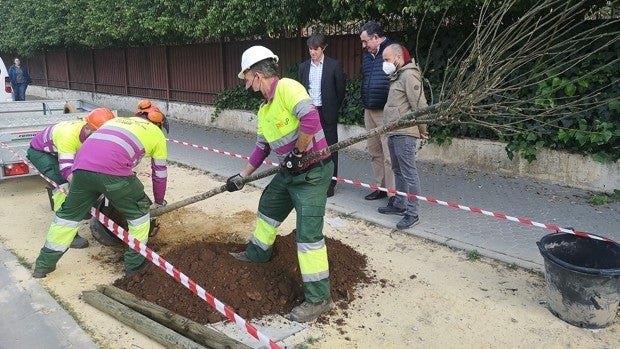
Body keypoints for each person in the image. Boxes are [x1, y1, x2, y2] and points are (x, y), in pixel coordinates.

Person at [226, 45, 334, 323]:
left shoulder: (287, 87)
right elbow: (262, 147)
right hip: (290, 173)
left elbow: (310, 118)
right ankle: (258, 253)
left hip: (312, 173)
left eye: (247, 77)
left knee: (308, 237)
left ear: (257, 74)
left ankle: (319, 299)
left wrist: (298, 154)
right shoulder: (264, 110)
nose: (246, 83)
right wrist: (243, 176)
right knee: (269, 205)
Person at [32, 102, 169, 278]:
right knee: (140, 217)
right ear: (158, 124)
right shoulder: (156, 134)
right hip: (115, 175)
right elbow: (159, 173)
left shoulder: (116, 121)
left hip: (80, 170)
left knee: (67, 218)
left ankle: (43, 266)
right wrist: (159, 201)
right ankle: (134, 267)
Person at [27, 108, 116, 248]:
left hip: (63, 151)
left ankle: (85, 207)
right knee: (63, 186)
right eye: (99, 133)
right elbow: (67, 170)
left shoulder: (93, 135)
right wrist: (85, 191)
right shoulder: (69, 135)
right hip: (42, 153)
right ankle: (67, 235)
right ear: (88, 127)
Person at [378, 44, 429, 229]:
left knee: (409, 173)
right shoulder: (397, 75)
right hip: (394, 131)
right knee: (398, 170)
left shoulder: (409, 75)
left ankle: (412, 213)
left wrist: (423, 129)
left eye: (386, 59)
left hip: (405, 132)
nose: (384, 63)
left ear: (398, 58)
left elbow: (419, 104)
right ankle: (399, 204)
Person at [298, 33, 346, 197]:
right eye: (310, 49)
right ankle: (312, 179)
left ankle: (330, 183)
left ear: (323, 48)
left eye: (316, 49)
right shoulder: (304, 67)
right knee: (309, 147)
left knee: (331, 148)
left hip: (327, 113)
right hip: (310, 113)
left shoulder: (334, 65)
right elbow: (301, 91)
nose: (313, 52)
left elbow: (340, 91)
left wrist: (332, 109)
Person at [359, 21, 396, 203]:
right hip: (369, 109)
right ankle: (381, 187)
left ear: (375, 37)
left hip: (386, 111)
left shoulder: (392, 50)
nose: (364, 46)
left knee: (389, 155)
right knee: (374, 152)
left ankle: (393, 194)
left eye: (366, 41)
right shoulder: (368, 56)